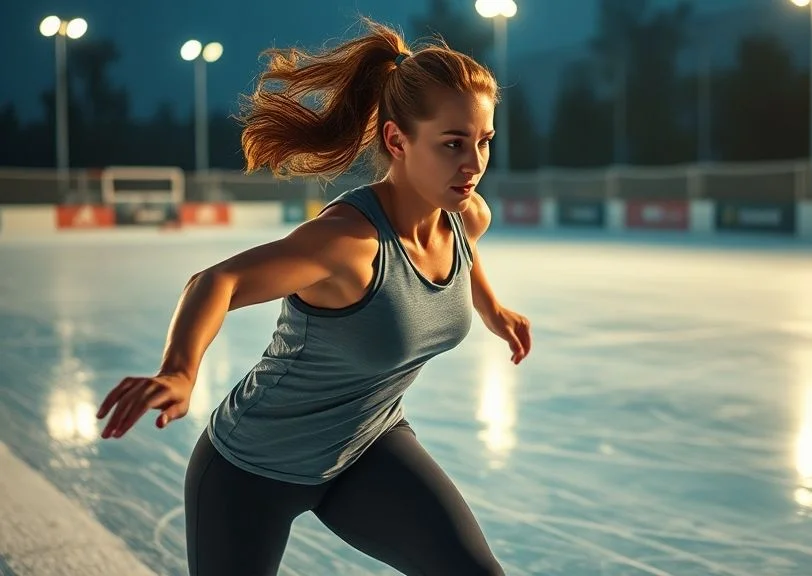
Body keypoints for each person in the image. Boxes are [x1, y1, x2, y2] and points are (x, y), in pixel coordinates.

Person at [94, 18, 531, 576]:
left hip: (367, 447)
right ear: (397, 140)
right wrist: (180, 371)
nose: (473, 165)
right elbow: (216, 282)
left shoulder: (466, 215)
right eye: (452, 144)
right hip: (253, 468)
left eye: (483, 142)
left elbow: (466, 254)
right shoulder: (347, 244)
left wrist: (492, 309)